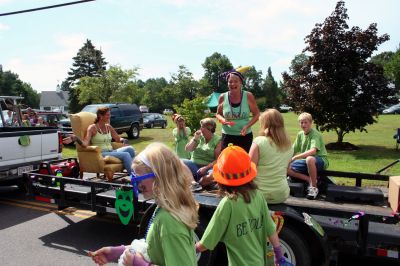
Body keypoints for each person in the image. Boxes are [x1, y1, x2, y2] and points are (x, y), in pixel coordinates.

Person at [89, 143, 198, 266]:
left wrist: (138, 263)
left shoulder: (170, 221)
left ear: (159, 177)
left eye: (140, 177)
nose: (137, 183)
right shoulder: (163, 207)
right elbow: (152, 247)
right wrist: (116, 252)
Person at [195, 145, 288, 266]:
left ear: (221, 179)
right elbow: (270, 229)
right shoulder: (258, 196)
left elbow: (206, 243)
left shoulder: (228, 204)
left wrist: (191, 248)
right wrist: (279, 255)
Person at [70, 106, 135, 176]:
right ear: (100, 116)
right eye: (107, 115)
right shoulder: (92, 128)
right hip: (102, 153)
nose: (110, 116)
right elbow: (85, 144)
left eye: (109, 114)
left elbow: (118, 139)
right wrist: (76, 138)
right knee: (126, 155)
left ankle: (129, 168)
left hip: (112, 151)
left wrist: (124, 140)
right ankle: (134, 178)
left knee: (130, 149)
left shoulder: (108, 127)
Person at [249, 109, 293, 204]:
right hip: (281, 194)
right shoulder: (289, 146)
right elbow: (286, 170)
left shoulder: (259, 141)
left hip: (258, 194)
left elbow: (249, 170)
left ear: (265, 124)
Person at [216, 69, 260, 152]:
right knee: (228, 161)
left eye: (236, 81)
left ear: (241, 83)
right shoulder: (222, 97)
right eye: (230, 82)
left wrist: (247, 126)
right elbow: (218, 114)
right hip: (227, 136)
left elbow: (257, 114)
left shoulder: (248, 96)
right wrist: (223, 120)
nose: (233, 84)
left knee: (244, 162)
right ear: (227, 83)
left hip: (245, 136)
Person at [287, 112, 329, 200]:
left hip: (320, 160)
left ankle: (314, 188)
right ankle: (309, 179)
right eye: (301, 122)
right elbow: (293, 150)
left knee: (310, 159)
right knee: (284, 166)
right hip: (306, 162)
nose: (303, 124)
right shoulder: (300, 134)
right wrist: (285, 159)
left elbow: (313, 151)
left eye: (306, 122)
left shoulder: (315, 134)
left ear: (311, 123)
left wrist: (295, 157)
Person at [182, 118, 221, 186]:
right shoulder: (199, 137)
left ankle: (201, 182)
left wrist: (206, 168)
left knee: (213, 175)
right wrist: (195, 138)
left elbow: (218, 160)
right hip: (193, 164)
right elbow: (188, 149)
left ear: (210, 128)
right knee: (179, 161)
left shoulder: (218, 140)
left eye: (202, 127)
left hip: (209, 167)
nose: (200, 129)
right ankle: (194, 183)